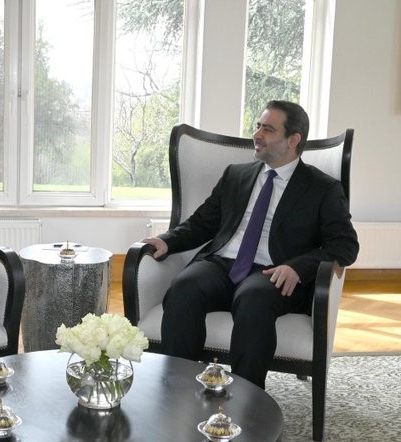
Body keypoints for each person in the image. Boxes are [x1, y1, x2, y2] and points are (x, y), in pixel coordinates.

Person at [142, 100, 359, 389]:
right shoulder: (236, 174)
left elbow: (346, 245)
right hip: (222, 263)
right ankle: (178, 388)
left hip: (275, 271)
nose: (256, 134)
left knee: (253, 299)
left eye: (268, 129)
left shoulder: (323, 188)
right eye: (258, 126)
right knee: (185, 288)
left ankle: (248, 398)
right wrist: (166, 240)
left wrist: (297, 267)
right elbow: (202, 223)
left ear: (293, 139)